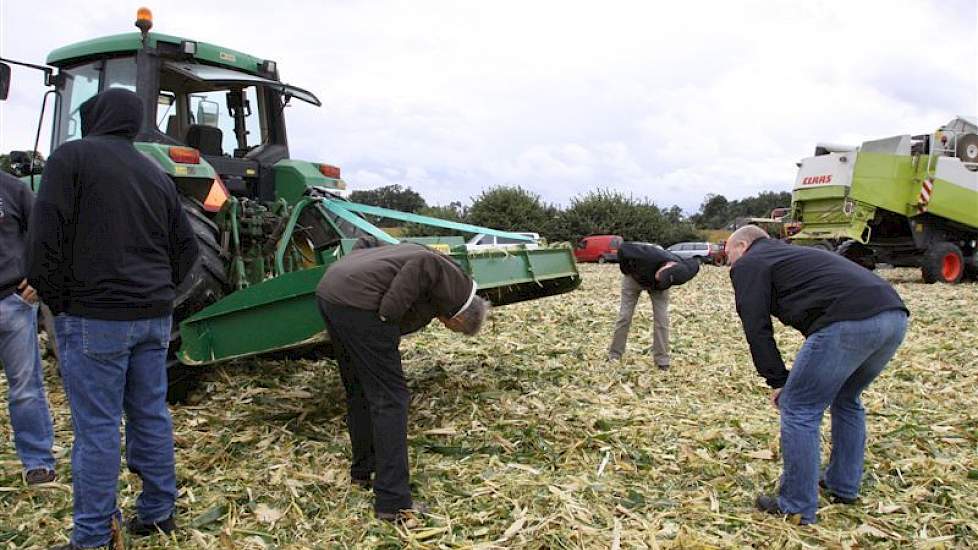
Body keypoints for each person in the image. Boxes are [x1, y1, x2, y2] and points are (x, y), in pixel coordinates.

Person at [28, 88, 199, 550]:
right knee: (150, 414)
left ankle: (91, 537)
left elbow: (45, 237)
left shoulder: (71, 158)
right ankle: (159, 513)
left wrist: (57, 298)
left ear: (95, 117)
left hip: (93, 315)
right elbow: (188, 249)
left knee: (98, 427)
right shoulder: (156, 172)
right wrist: (160, 294)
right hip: (153, 318)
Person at [726, 225, 908, 525]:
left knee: (798, 408)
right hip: (893, 317)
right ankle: (843, 486)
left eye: (729, 253)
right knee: (847, 398)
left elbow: (756, 326)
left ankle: (796, 505)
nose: (729, 261)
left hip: (849, 321)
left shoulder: (751, 262)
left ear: (743, 245)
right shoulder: (795, 254)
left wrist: (779, 380)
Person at [316, 241, 490, 523]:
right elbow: (424, 264)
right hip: (361, 306)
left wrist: (357, 267)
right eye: (453, 328)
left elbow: (371, 243)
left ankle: (364, 471)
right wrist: (388, 314)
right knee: (391, 400)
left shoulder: (448, 286)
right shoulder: (455, 286)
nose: (446, 327)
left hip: (332, 291)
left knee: (359, 390)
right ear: (459, 318)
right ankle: (393, 502)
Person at [0, 171, 56, 485]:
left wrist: (38, 277)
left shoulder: (12, 188)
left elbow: (44, 233)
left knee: (25, 388)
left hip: (12, 303)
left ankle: (37, 462)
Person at [608, 241, 701, 369]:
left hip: (658, 288)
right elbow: (623, 249)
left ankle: (662, 360)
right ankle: (614, 354)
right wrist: (626, 271)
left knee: (662, 319)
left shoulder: (683, 269)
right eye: (659, 276)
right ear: (666, 266)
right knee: (624, 316)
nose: (657, 278)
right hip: (634, 279)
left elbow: (695, 263)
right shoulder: (648, 255)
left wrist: (660, 283)